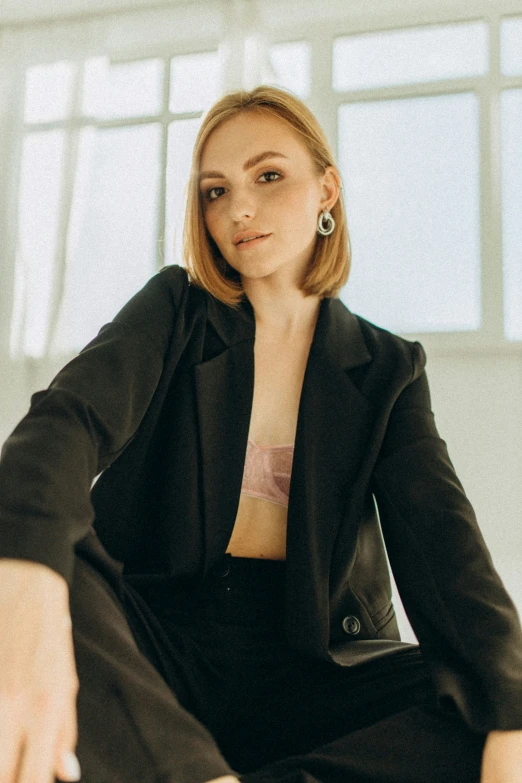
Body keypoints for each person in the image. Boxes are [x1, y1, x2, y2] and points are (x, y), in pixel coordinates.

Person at [0, 85, 521, 783]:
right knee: (40, 537)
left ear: (326, 189)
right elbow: (67, 422)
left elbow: (448, 548)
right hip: (152, 647)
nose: (238, 208)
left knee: (483, 697)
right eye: (216, 191)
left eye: (268, 176)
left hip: (308, 667)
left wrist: (511, 712)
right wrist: (26, 574)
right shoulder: (175, 310)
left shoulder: (387, 369)